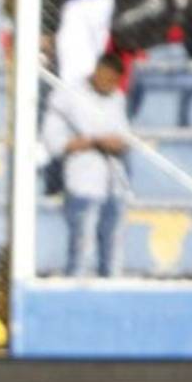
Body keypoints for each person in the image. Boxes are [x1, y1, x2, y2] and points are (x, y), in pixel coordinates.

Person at [42, 52, 130, 277]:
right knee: (83, 244)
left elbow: (124, 138)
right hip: (82, 181)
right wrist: (89, 142)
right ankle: (76, 286)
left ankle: (111, 287)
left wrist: (114, 143)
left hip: (115, 182)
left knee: (114, 246)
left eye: (114, 81)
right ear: (97, 71)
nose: (110, 85)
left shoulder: (117, 98)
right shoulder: (68, 96)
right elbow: (54, 140)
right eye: (107, 79)